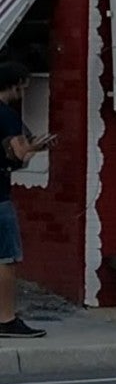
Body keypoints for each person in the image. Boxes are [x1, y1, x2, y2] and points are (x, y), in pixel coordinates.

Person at [0, 63, 52, 339]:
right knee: (6, 258)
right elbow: (17, 156)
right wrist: (36, 147)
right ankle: (6, 319)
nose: (22, 92)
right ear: (14, 84)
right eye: (21, 86)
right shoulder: (6, 115)